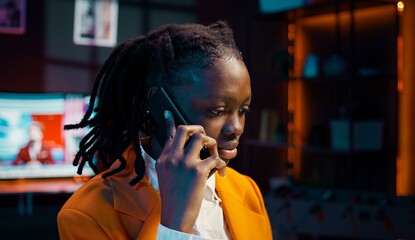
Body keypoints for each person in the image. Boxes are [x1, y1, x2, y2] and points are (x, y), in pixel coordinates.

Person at [57, 21, 272, 239]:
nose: (237, 127)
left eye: (243, 110)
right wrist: (175, 223)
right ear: (160, 106)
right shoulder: (86, 214)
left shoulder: (246, 190)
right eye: (217, 111)